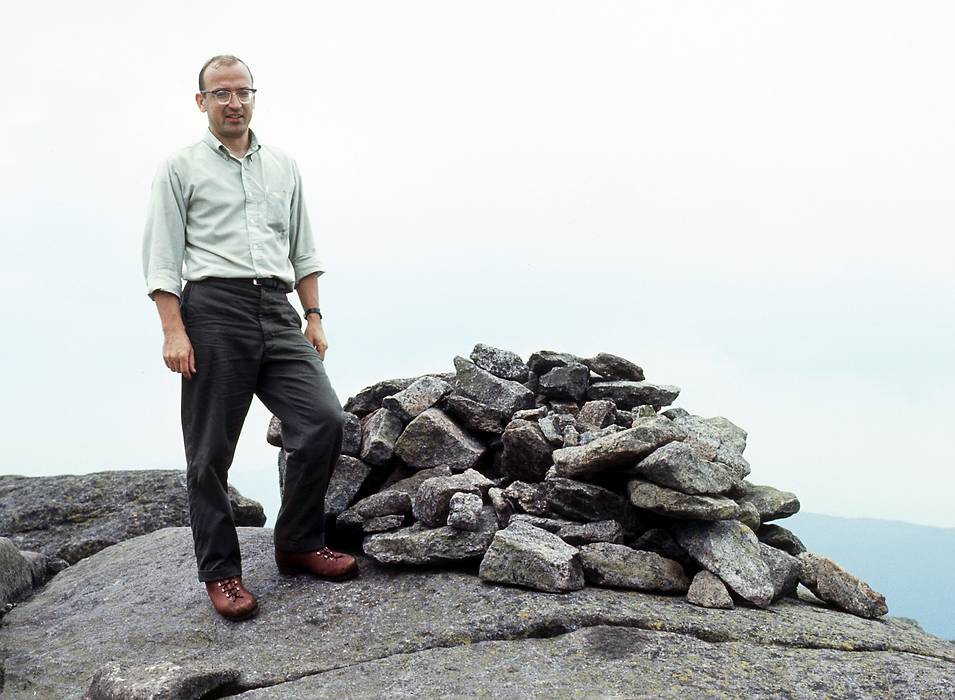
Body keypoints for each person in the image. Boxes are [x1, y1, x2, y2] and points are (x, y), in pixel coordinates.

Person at [142, 54, 358, 622]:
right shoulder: (180, 167)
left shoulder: (283, 165)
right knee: (210, 453)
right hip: (213, 310)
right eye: (220, 94)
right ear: (201, 102)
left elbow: (304, 248)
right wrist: (173, 330)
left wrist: (313, 315)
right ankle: (223, 574)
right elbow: (162, 257)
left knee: (323, 421)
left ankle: (297, 542)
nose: (233, 102)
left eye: (242, 92)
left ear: (254, 96)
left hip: (278, 307)